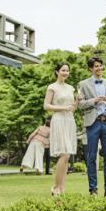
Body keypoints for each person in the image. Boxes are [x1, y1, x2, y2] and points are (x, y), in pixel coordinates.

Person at [78, 56, 106, 198]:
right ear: (90, 68)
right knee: (90, 157)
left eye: (100, 66)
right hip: (92, 123)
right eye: (96, 66)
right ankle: (93, 189)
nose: (99, 68)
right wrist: (93, 101)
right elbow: (80, 104)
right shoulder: (83, 84)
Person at [44, 62, 78, 195]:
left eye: (67, 71)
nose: (65, 73)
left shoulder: (71, 88)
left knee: (67, 155)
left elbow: (73, 109)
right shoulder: (52, 87)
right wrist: (63, 108)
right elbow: (46, 106)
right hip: (58, 120)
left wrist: (77, 101)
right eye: (63, 70)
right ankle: (56, 187)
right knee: (64, 154)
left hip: (69, 120)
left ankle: (62, 188)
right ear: (57, 72)